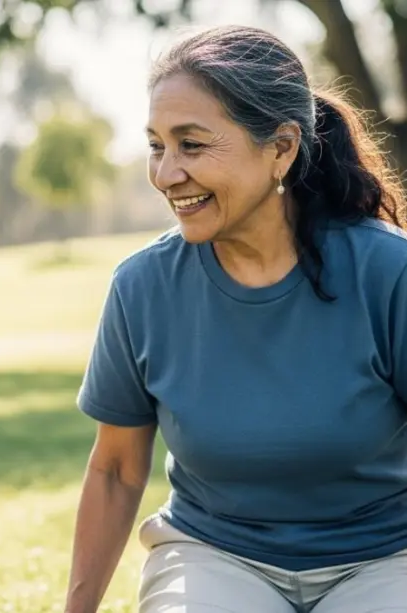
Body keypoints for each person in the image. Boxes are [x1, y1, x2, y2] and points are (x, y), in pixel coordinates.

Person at [63, 24, 407, 613]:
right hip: (213, 554)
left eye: (191, 145)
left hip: (387, 556)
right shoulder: (142, 287)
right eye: (156, 146)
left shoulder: (388, 270)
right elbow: (117, 469)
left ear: (281, 148)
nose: (167, 173)